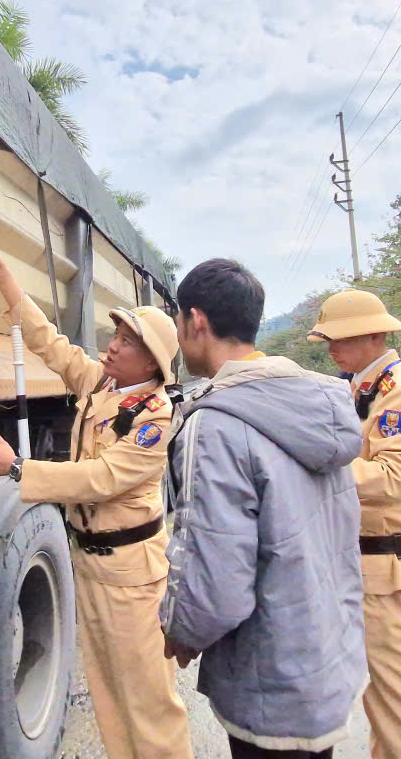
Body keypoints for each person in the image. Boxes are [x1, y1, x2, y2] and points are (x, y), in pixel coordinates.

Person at [0, 241, 193, 759]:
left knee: (150, 701)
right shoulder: (103, 388)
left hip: (133, 575)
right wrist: (4, 277)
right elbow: (50, 344)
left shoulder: (155, 415)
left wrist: (18, 467)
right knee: (110, 694)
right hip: (90, 564)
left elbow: (103, 478)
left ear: (152, 361)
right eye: (116, 335)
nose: (112, 346)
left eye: (127, 342)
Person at [159, 258, 366, 759]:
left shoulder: (216, 424)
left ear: (197, 322)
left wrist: (183, 630)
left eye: (178, 324)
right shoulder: (318, 406)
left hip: (267, 673)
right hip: (323, 659)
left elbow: (216, 579)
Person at [308, 289, 401, 759]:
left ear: (373, 335)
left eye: (339, 339)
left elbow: (394, 476)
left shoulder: (400, 392)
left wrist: (320, 464)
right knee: (379, 694)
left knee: (398, 696)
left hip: (387, 563)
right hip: (361, 560)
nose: (331, 348)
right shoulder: (360, 386)